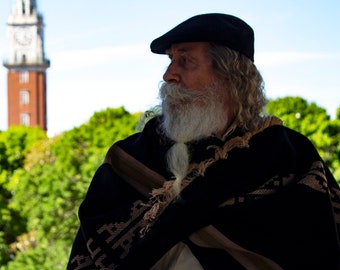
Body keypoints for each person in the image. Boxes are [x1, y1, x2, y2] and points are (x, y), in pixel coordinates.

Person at [67, 13, 340, 270]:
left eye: (185, 61)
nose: (168, 75)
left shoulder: (290, 156)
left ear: (230, 75)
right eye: (170, 60)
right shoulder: (129, 161)